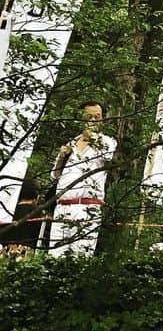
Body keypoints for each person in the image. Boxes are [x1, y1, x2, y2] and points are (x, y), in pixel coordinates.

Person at [47, 100, 116, 257]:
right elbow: (55, 175)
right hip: (62, 208)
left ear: (102, 120)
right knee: (55, 256)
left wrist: (91, 137)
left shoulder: (107, 141)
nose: (92, 121)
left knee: (80, 256)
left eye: (97, 117)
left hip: (87, 208)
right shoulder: (70, 143)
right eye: (88, 117)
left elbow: (108, 155)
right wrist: (62, 156)